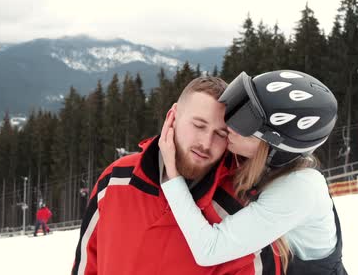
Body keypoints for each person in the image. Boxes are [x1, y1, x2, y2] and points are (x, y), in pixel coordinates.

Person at [72, 76, 283, 275]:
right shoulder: (117, 180)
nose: (206, 143)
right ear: (172, 116)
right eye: (198, 125)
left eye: (220, 134)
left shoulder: (241, 212)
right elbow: (86, 265)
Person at [160, 70, 347, 274]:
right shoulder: (272, 166)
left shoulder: (299, 189)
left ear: (272, 148)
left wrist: (171, 175)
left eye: (244, 126)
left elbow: (209, 249)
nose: (229, 127)